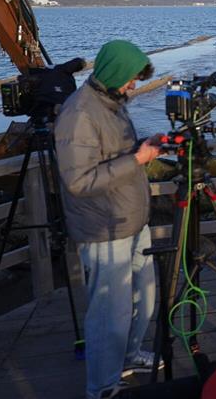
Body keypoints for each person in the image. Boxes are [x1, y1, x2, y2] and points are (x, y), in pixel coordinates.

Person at [54, 40, 165, 399]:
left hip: (131, 221)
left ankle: (130, 356)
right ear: (114, 73)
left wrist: (144, 147)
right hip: (103, 228)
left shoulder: (112, 103)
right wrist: (137, 160)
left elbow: (115, 156)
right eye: (131, 78)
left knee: (145, 299)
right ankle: (102, 387)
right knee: (109, 314)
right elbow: (78, 180)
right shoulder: (79, 113)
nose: (134, 85)